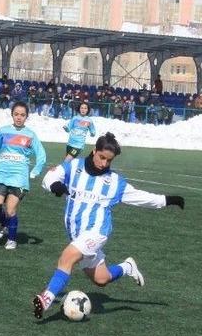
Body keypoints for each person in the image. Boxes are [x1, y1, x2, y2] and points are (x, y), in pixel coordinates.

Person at [33, 132, 185, 319]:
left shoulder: (115, 182)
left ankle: (46, 298)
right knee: (101, 279)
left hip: (97, 232)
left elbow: (141, 197)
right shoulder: (74, 167)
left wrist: (167, 200)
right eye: (101, 157)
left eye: (109, 160)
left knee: (67, 257)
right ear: (94, 151)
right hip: (77, 234)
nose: (104, 163)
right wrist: (55, 185)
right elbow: (50, 176)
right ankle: (127, 267)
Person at [0, 101, 47, 250]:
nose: (19, 117)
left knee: (11, 210)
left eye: (22, 115)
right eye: (16, 114)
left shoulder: (30, 135)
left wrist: (36, 169)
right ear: (12, 114)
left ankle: (12, 240)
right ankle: (4, 224)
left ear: (26, 117)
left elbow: (41, 154)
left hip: (19, 177)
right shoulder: (3, 131)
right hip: (2, 174)